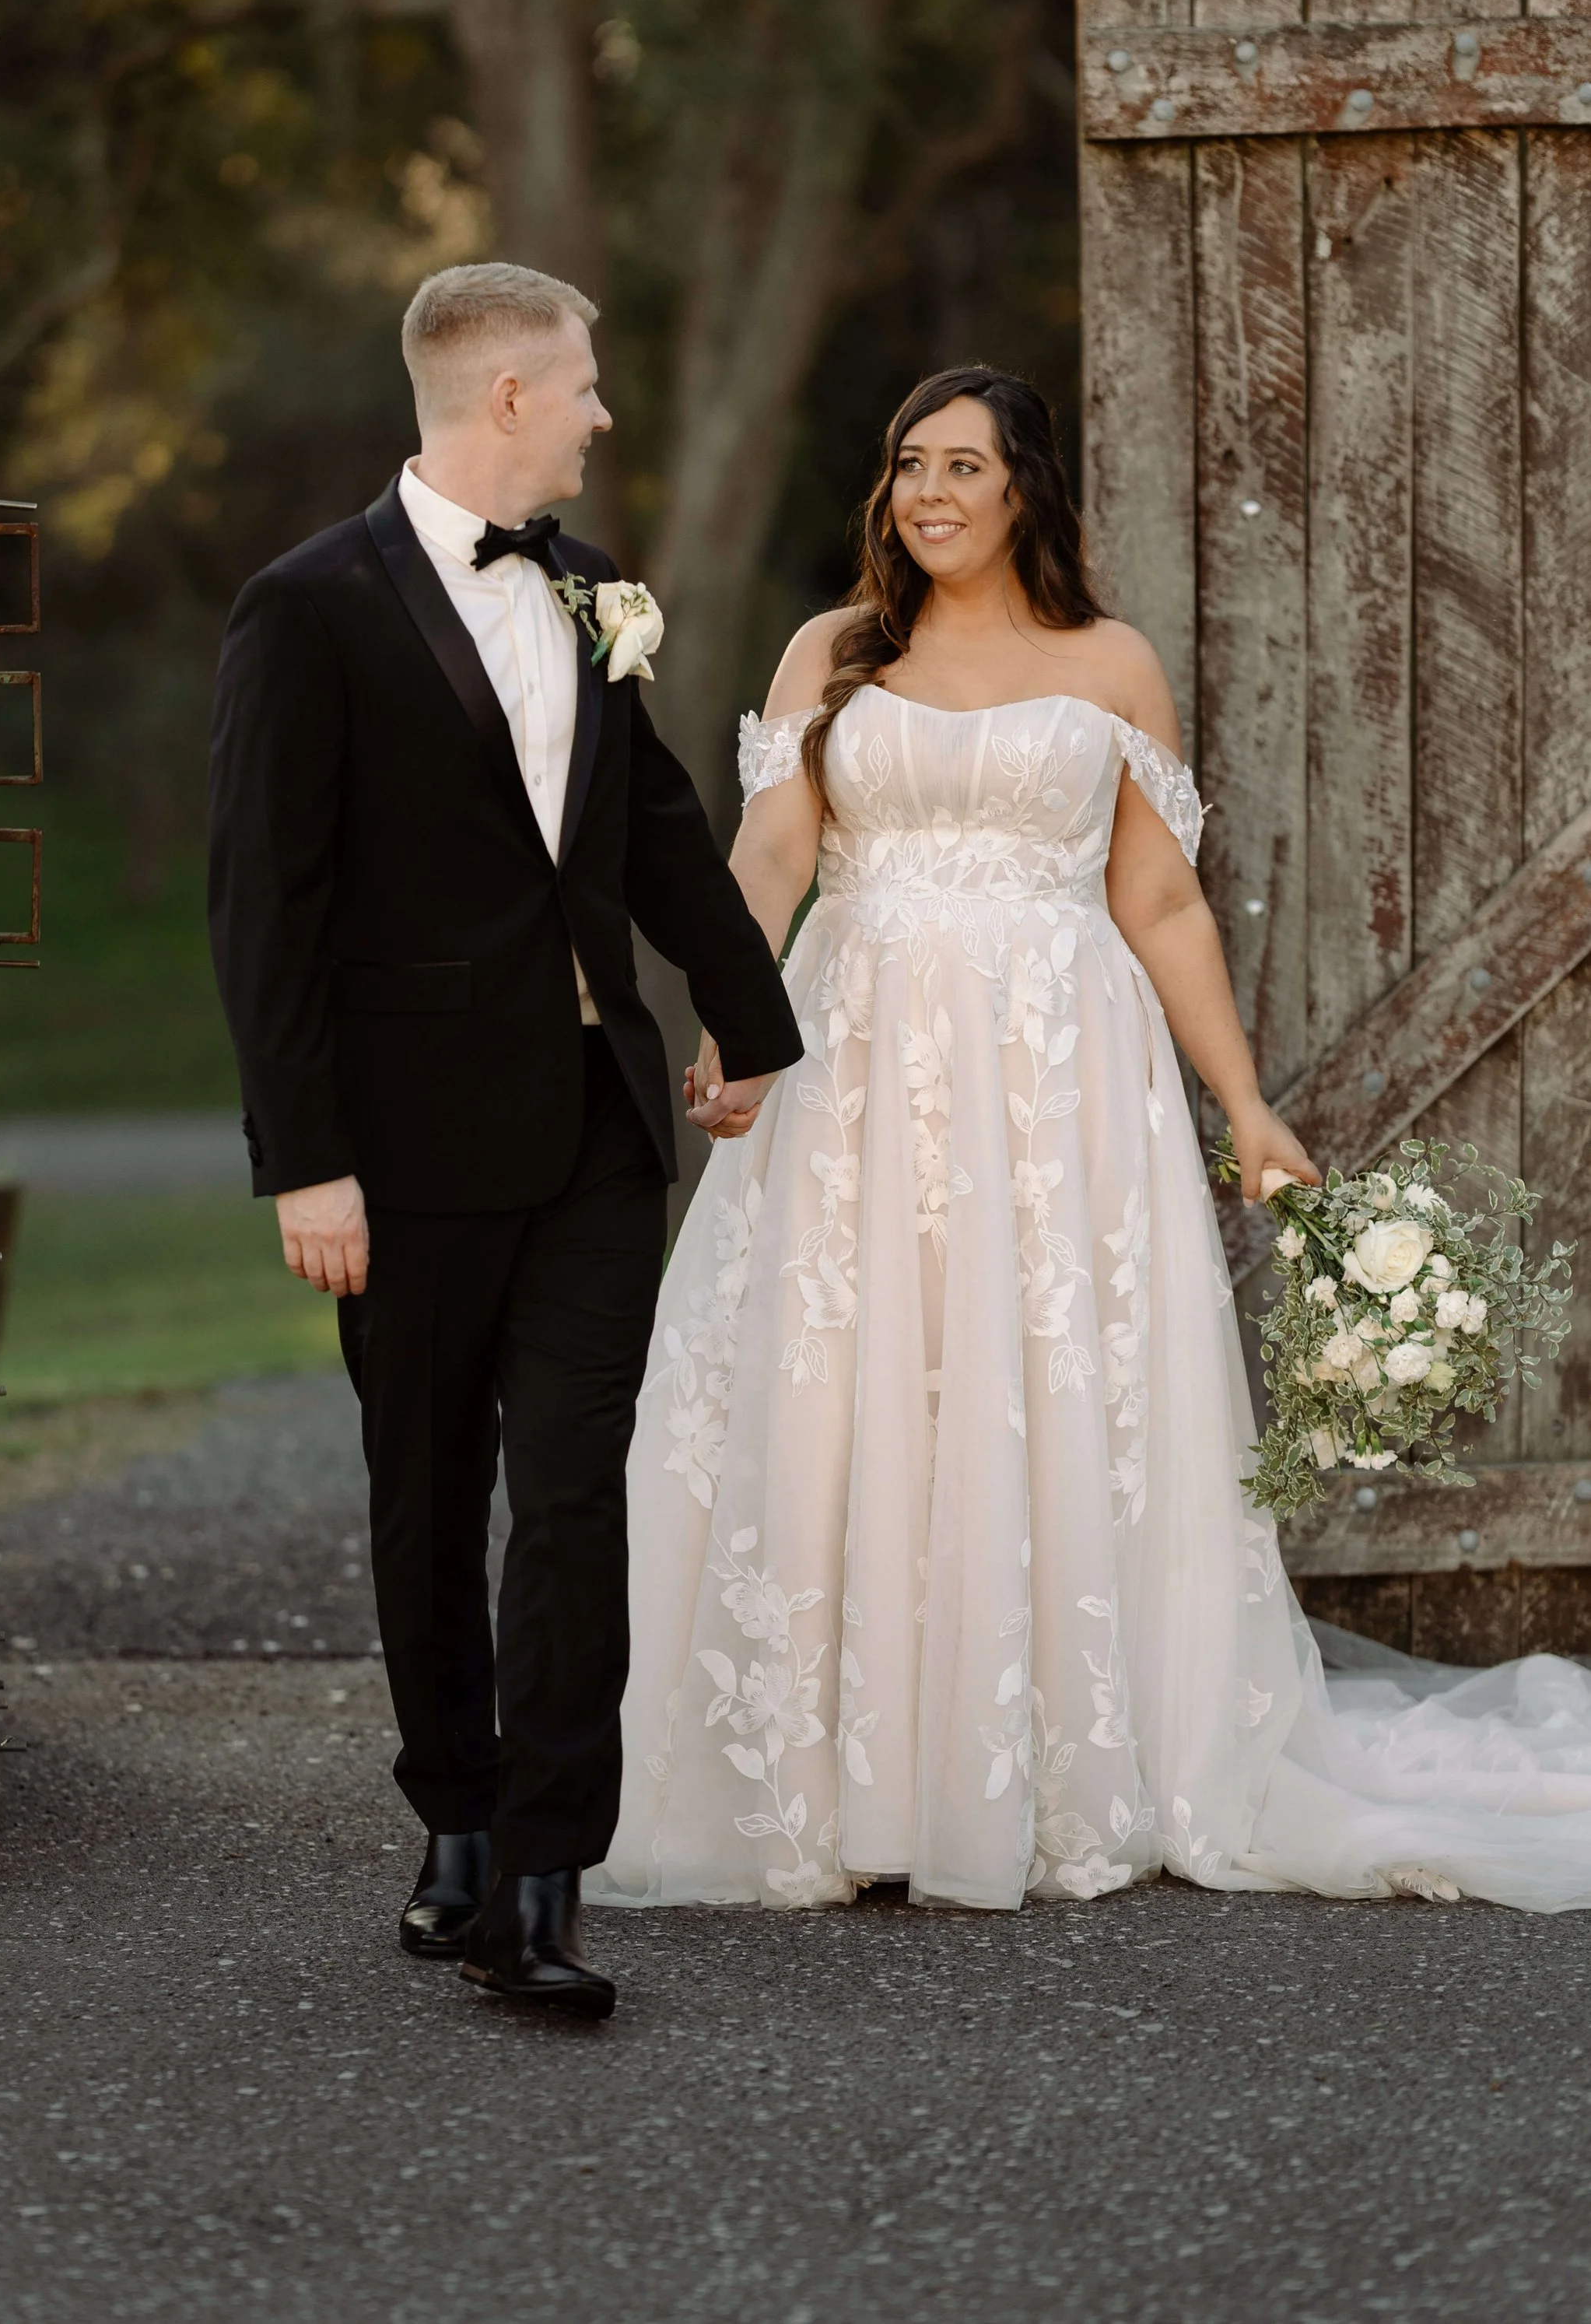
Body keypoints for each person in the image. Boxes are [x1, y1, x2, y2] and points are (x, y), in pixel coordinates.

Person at [592, 366, 1591, 1915]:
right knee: (844, 1388)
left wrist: (1245, 1105)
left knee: (1028, 1389)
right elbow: (772, 852)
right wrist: (732, 1029)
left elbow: (1157, 897)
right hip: (852, 1057)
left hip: (1056, 1074)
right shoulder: (831, 651)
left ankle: (1043, 1769)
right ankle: (836, 1781)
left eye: (962, 467)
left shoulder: (1108, 659)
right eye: (907, 463)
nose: (927, 493)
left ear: (1022, 488)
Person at [207, 261, 801, 2016]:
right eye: (588, 387)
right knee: (423, 1493)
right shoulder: (302, 608)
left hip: (598, 1130)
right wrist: (303, 1159)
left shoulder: (597, 590)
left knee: (568, 1498)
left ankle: (544, 1884)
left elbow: (660, 824)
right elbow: (265, 911)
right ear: (506, 398)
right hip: (397, 1150)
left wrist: (752, 1019)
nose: (606, 414)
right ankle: (452, 1816)